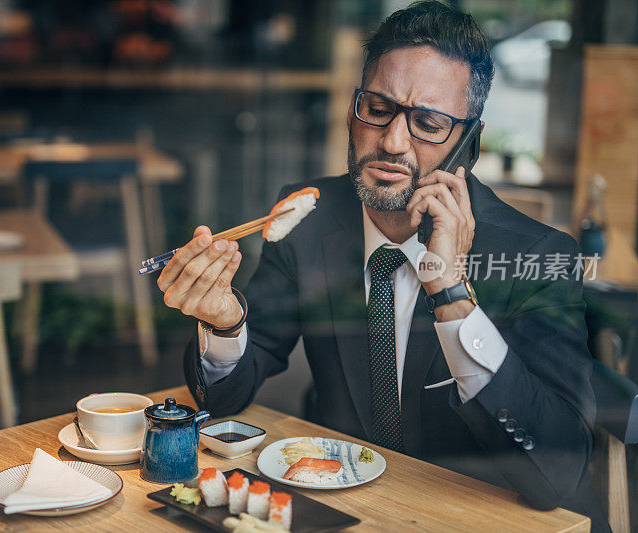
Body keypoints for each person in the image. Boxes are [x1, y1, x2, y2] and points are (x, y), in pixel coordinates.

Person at [157, 2, 606, 529]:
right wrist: (224, 323)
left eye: (429, 123)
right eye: (377, 107)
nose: (393, 143)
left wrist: (452, 295)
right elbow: (230, 395)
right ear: (354, 108)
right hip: (346, 511)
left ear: (470, 140)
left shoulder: (538, 255)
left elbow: (557, 474)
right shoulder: (310, 218)